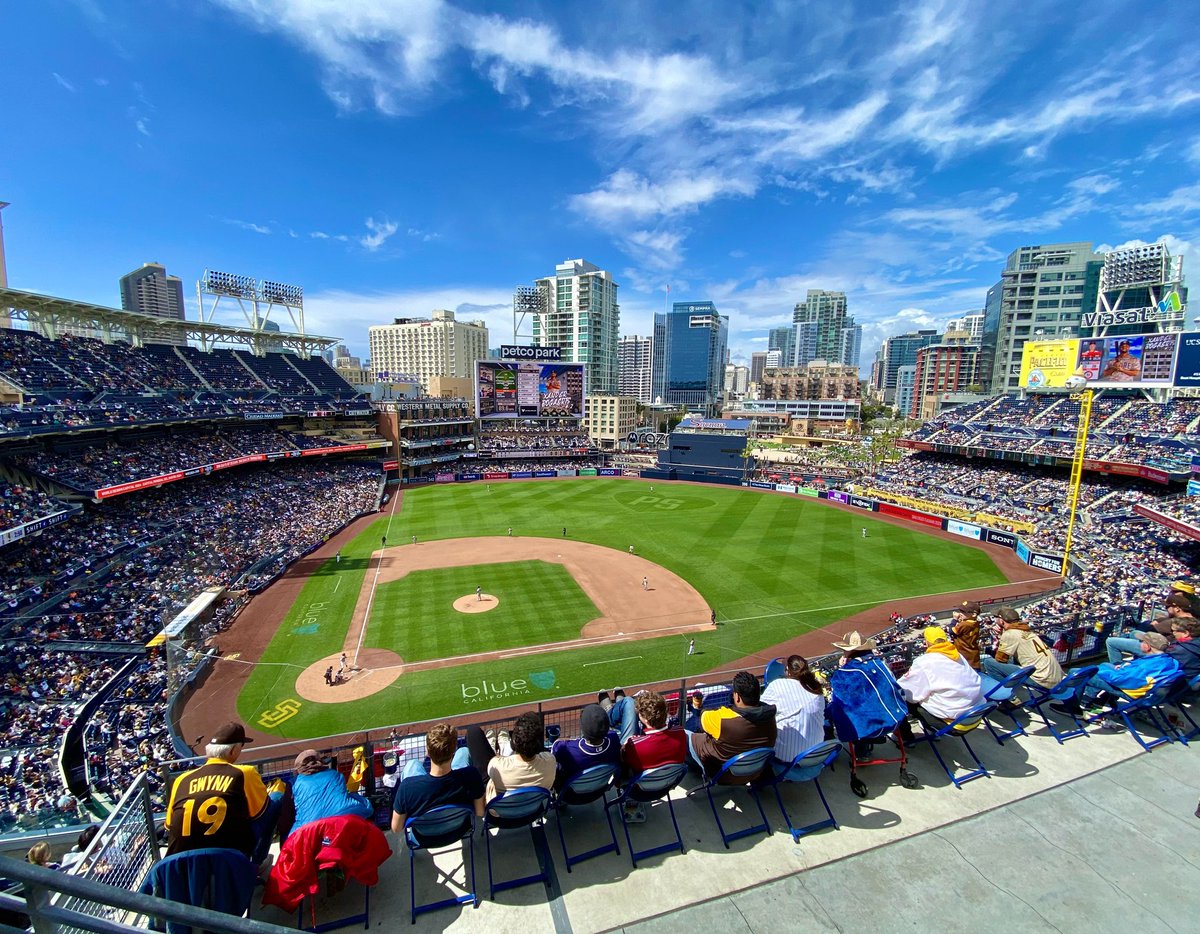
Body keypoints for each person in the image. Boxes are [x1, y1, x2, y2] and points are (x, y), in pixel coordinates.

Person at [164, 721, 270, 857]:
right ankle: (257, 862)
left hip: (181, 861)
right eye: (241, 746)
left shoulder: (181, 779)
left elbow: (169, 825)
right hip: (229, 857)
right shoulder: (244, 773)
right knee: (276, 798)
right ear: (233, 750)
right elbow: (258, 813)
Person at [1056, 632, 1181, 721]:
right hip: (1139, 685)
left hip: (1131, 691)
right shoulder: (1169, 660)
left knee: (1077, 672)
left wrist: (1100, 670)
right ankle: (1089, 697)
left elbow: (1118, 680)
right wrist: (1125, 667)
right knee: (1105, 664)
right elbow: (1136, 672)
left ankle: (1072, 708)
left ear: (1147, 646)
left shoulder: (1146, 667)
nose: (1140, 643)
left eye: (1142, 641)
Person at [391, 723, 484, 832]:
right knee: (463, 751)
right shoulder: (471, 775)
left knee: (412, 764)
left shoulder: (407, 787)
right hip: (459, 829)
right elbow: (480, 812)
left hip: (425, 836)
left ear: (428, 752)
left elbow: (396, 828)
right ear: (453, 750)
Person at [686, 671, 777, 780]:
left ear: (737, 697)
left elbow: (702, 718)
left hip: (722, 773)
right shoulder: (770, 716)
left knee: (683, 734)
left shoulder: (723, 719)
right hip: (754, 771)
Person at [620, 691, 689, 822]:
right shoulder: (680, 733)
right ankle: (620, 701)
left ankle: (616, 704)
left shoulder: (635, 744)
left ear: (643, 718)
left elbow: (623, 761)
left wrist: (626, 744)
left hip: (638, 791)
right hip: (666, 787)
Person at [897, 627, 983, 724]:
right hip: (977, 712)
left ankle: (904, 734)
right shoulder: (958, 655)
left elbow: (908, 693)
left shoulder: (924, 662)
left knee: (900, 698)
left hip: (956, 721)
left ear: (926, 643)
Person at [465, 711, 556, 802]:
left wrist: (499, 755)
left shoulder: (498, 765)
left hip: (502, 812)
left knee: (473, 731)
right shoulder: (550, 760)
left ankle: (493, 744)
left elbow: (492, 766)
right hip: (535, 808)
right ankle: (501, 743)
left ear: (513, 743)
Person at [761, 655, 826, 775]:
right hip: (816, 756)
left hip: (787, 759)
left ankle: (759, 777)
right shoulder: (816, 689)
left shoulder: (778, 685)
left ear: (788, 671)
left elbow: (759, 710)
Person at [288, 750, 373, 835]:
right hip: (343, 816)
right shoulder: (334, 774)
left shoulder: (296, 783)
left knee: (290, 840)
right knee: (367, 807)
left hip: (309, 826)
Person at [980, 606, 1063, 692]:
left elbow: (1000, 659)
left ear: (1001, 620)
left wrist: (1001, 636)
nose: (994, 619)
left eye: (995, 617)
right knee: (1012, 660)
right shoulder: (1026, 630)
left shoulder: (1009, 634)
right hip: (1056, 677)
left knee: (988, 662)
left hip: (1042, 680)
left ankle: (1006, 693)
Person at [551, 704, 620, 790]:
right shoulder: (614, 739)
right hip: (599, 790)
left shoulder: (566, 748)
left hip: (570, 795)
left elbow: (555, 745)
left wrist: (568, 739)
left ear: (583, 728)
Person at [950, 601, 982, 670]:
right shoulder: (976, 622)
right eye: (960, 611)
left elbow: (951, 631)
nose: (960, 613)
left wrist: (954, 620)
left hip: (964, 654)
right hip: (973, 654)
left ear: (973, 614)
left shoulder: (964, 624)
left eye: (963, 612)